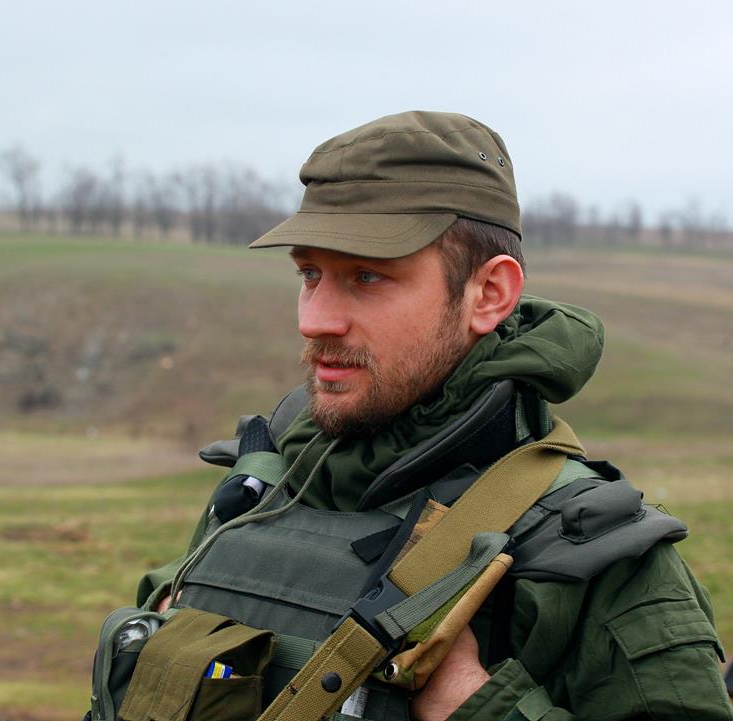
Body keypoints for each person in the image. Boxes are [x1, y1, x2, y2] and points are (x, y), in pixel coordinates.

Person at [128, 112, 732, 721]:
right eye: (310, 274)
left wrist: (477, 706)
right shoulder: (265, 486)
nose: (314, 320)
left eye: (367, 276)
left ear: (489, 294)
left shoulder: (592, 558)